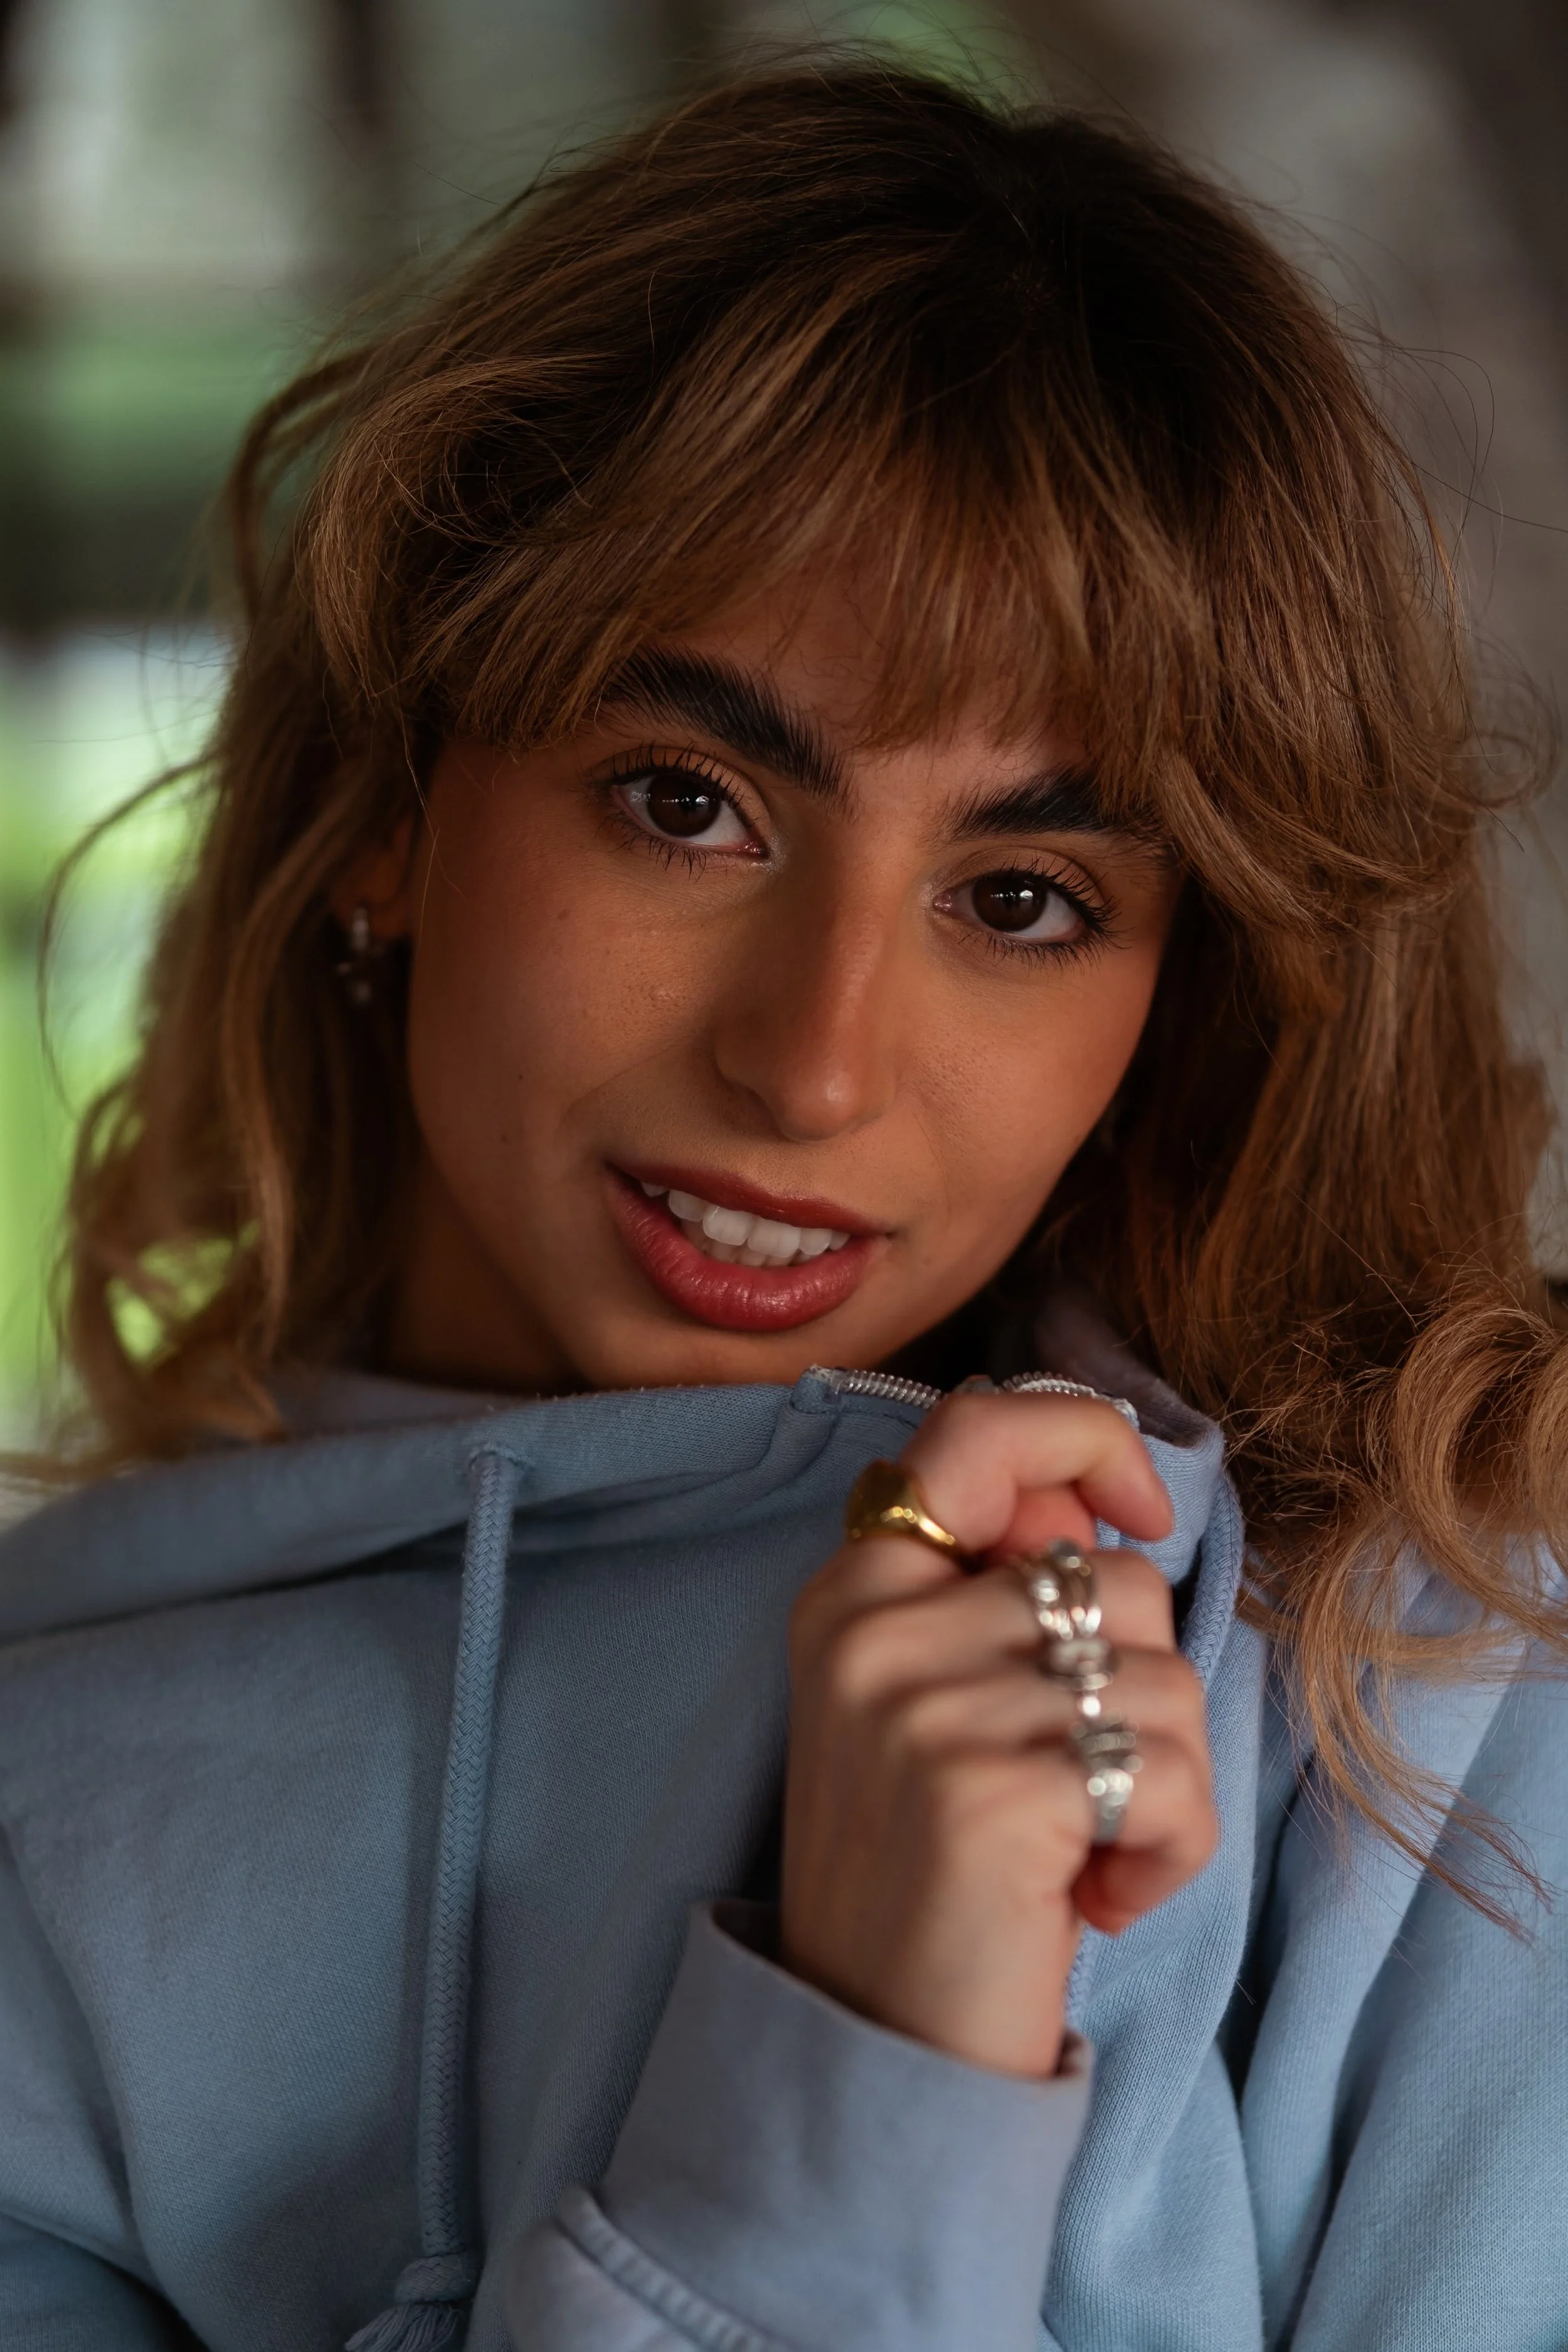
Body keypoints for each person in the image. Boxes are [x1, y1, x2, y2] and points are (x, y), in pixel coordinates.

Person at [2, 58, 1566, 2352]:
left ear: (1177, 1001)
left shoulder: (1446, 1646)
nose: (811, 1064)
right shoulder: (44, 1806)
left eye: (1020, 897)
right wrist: (866, 2077)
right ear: (387, 802)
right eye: (685, 800)